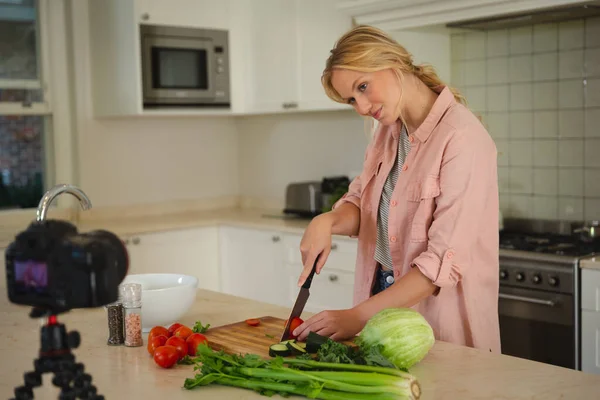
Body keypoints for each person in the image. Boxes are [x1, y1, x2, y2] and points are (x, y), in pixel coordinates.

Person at [293, 25, 500, 353]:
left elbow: (439, 265)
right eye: (351, 99)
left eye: (363, 87)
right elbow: (362, 203)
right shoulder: (387, 132)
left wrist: (356, 317)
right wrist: (327, 222)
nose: (361, 107)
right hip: (379, 303)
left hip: (434, 323)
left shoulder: (462, 138)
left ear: (392, 64)